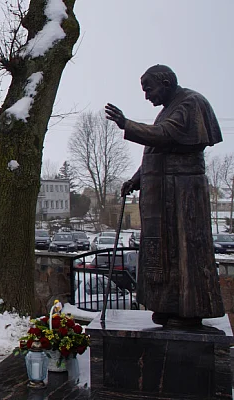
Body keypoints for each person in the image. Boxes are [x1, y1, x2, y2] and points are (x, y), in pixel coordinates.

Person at [105, 64, 224, 327]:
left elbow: (165, 136)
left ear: (166, 82)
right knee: (165, 253)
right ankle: (168, 305)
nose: (147, 96)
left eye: (149, 89)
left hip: (182, 194)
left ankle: (189, 310)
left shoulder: (190, 104)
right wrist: (135, 180)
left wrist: (127, 124)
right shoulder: (167, 111)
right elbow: (157, 150)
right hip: (163, 192)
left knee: (183, 250)